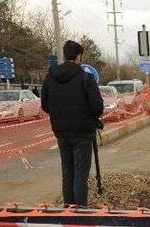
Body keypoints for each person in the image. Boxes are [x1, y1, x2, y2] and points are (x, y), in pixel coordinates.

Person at [41, 40, 104, 207]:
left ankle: (68, 210)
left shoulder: (50, 76)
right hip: (82, 133)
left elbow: (45, 105)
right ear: (79, 56)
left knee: (67, 172)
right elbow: (97, 108)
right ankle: (80, 212)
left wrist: (60, 115)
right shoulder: (85, 77)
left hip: (61, 132)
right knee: (80, 174)